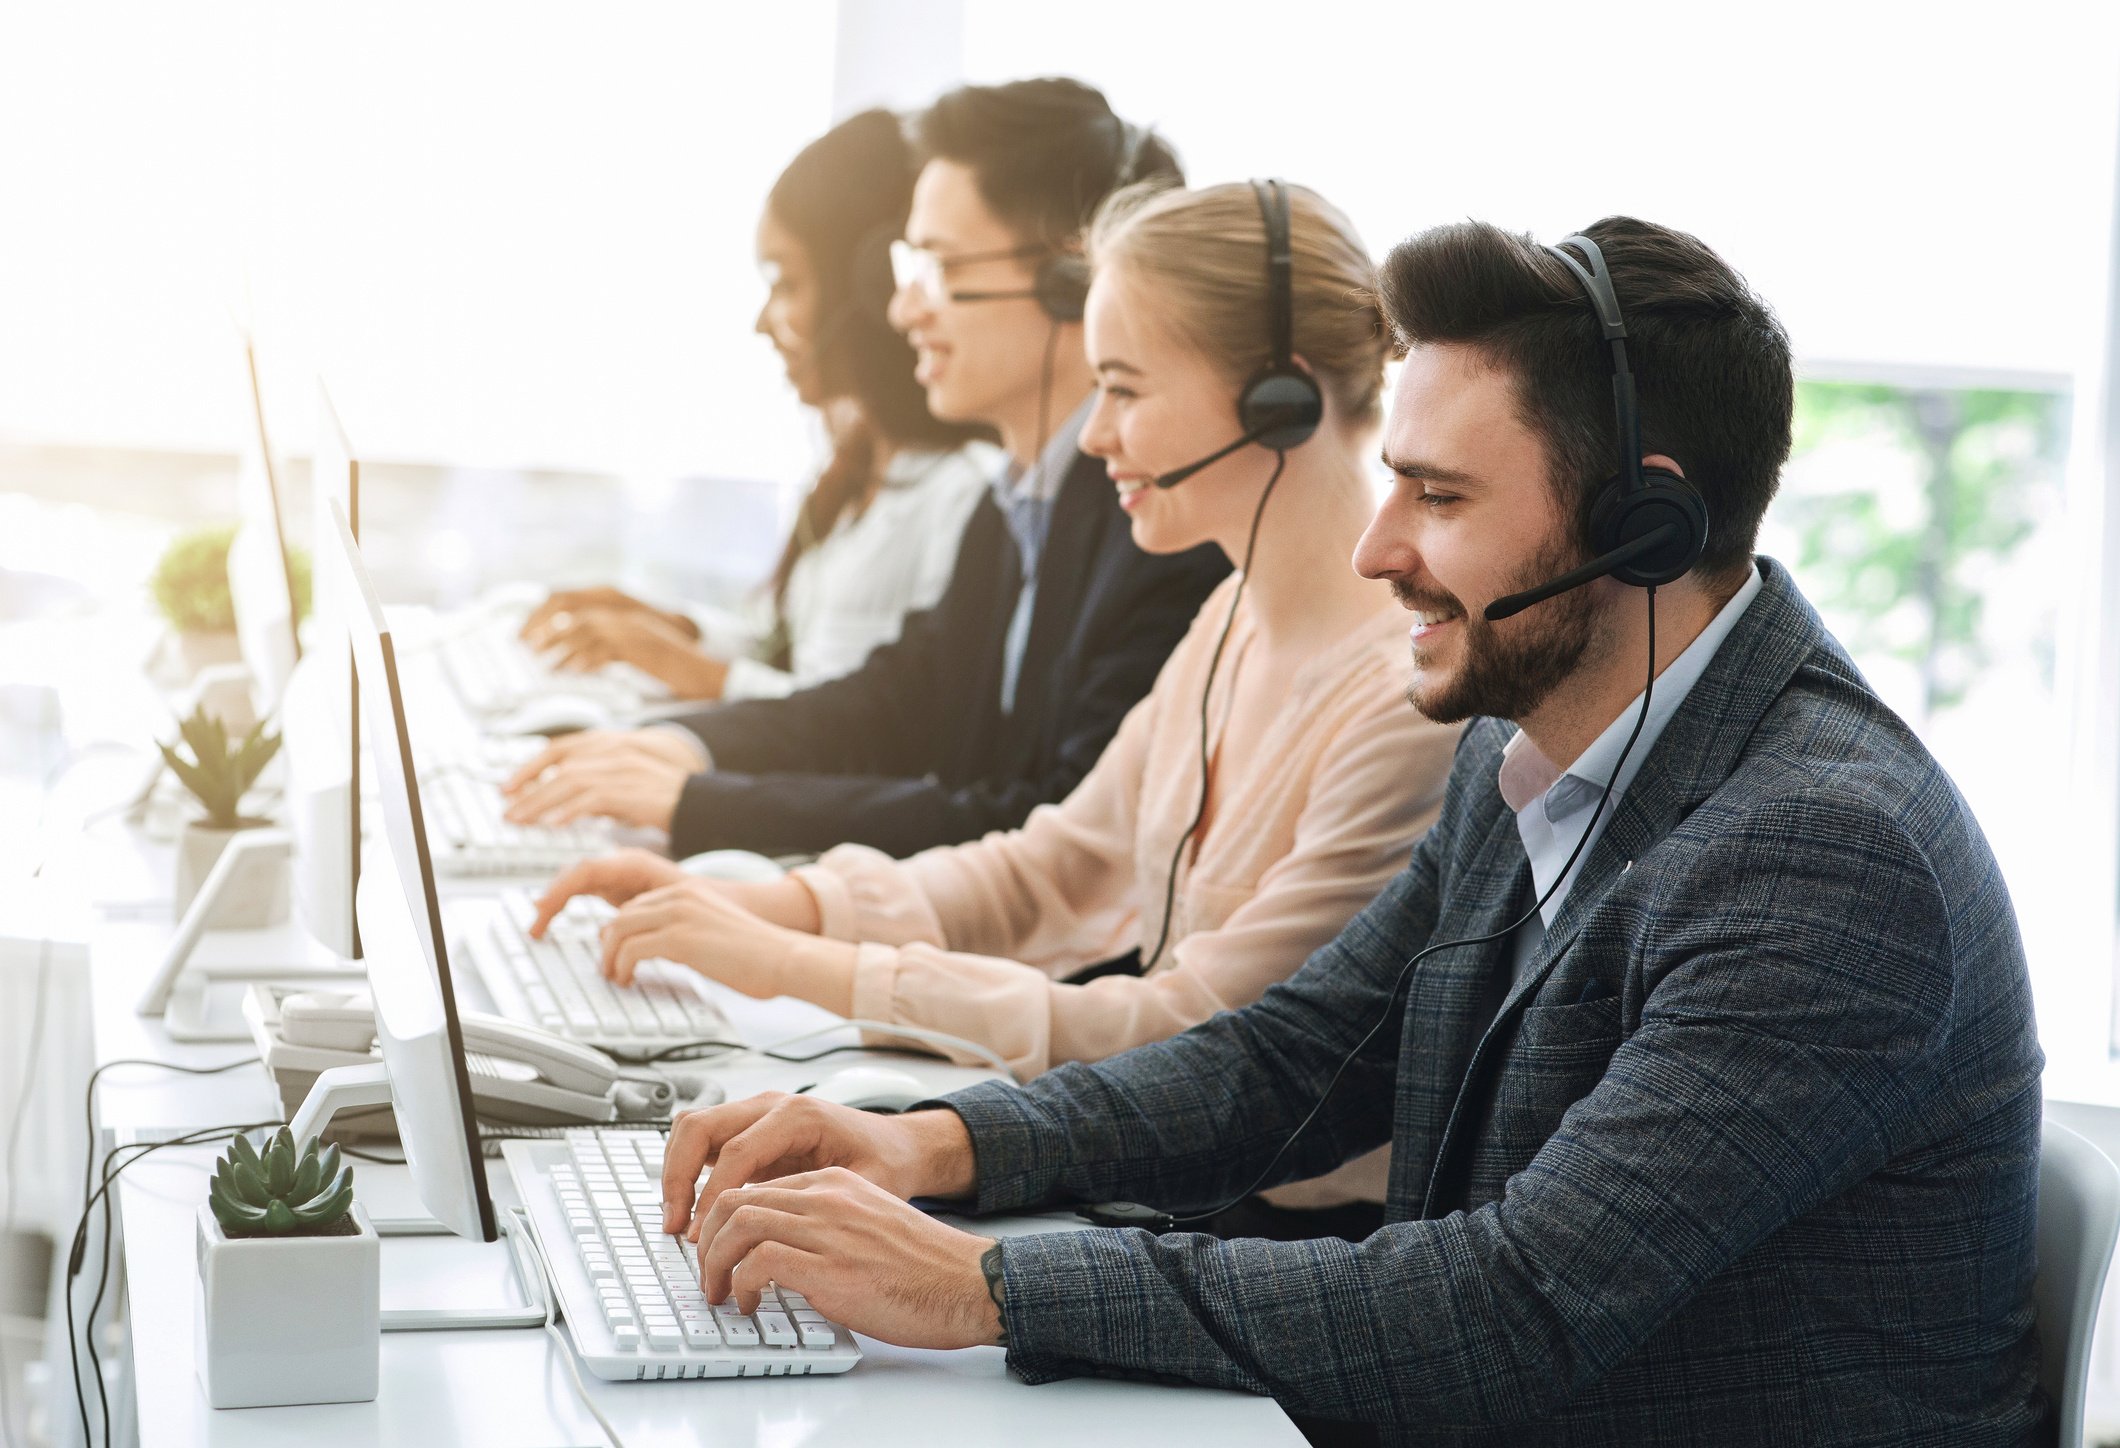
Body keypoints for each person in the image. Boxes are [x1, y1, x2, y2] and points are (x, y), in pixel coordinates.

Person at [646, 217, 2048, 1444]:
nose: (1379, 551)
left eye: (1438, 499)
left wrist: (980, 1286)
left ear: (1644, 525)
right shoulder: (1524, 750)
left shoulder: (1825, 862)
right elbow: (1291, 1062)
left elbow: (1512, 1306)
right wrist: (930, 1144)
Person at [529, 180, 1461, 1237]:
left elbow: (1194, 1032)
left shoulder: (1403, 698)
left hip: (1268, 1232)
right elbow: (1055, 862)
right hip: (1156, 1180)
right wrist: (772, 906)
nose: (1097, 434)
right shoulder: (1230, 616)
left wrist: (807, 967)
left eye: (1123, 389)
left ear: (1275, 401)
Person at [502, 78, 1229, 860]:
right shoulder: (1016, 505)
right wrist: (679, 747)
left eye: (942, 269)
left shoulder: (1160, 530)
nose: (903, 309)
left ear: (1072, 280)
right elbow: (890, 704)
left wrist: (703, 805)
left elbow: (1047, 825)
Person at [518, 109, 997, 703]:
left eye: (788, 283)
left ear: (866, 287)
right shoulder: (862, 465)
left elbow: (863, 729)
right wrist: (670, 629)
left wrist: (679, 663)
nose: (763, 322)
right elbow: (796, 655)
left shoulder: (961, 493)